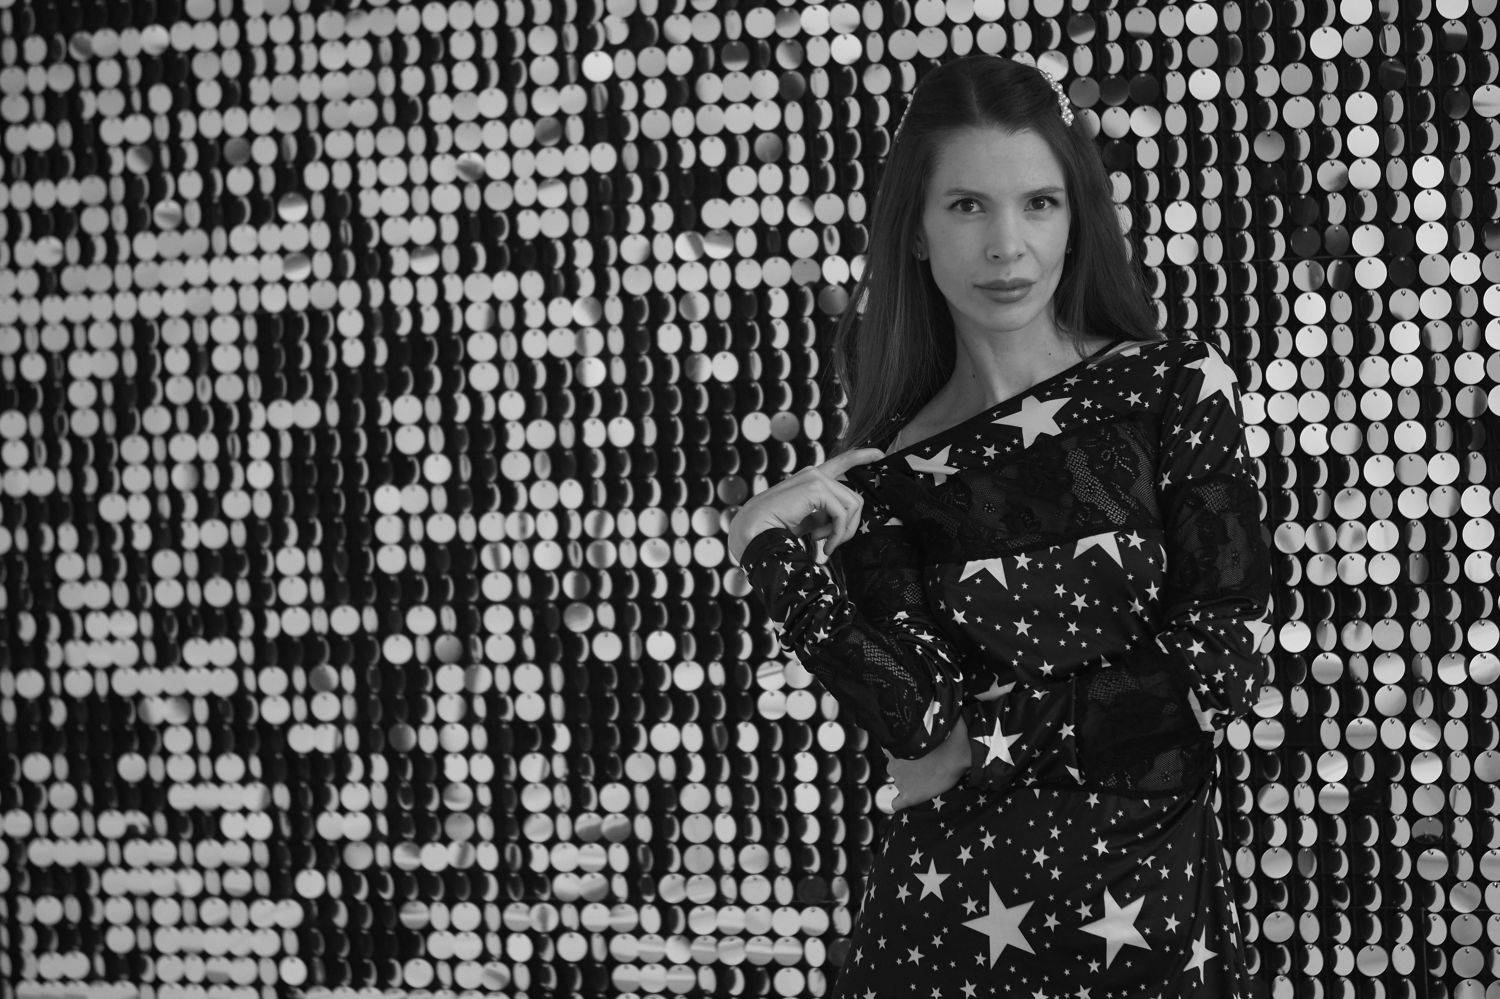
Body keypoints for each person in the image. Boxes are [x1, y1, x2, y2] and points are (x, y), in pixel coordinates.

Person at [726, 54, 1274, 998]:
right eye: (968, 206)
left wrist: (984, 740)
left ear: (1076, 218)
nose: (1007, 246)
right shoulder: (888, 474)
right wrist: (765, 549)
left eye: (1039, 204)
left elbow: (1219, 663)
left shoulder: (1170, 389)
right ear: (917, 230)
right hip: (939, 935)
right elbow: (914, 727)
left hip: (1153, 928)